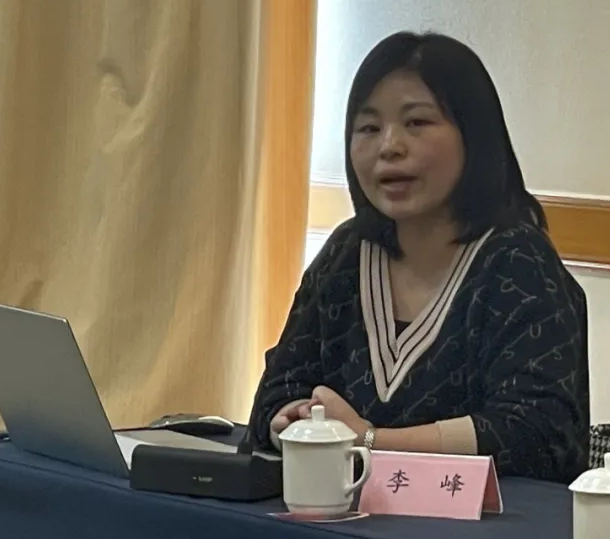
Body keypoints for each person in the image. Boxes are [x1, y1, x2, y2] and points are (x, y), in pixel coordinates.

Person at [250, 31, 590, 482]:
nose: (389, 146)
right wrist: (292, 421)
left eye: (417, 123)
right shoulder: (347, 255)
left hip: (483, 524)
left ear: (474, 136)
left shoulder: (517, 261)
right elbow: (277, 393)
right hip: (345, 513)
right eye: (368, 128)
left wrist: (370, 440)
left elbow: (535, 434)